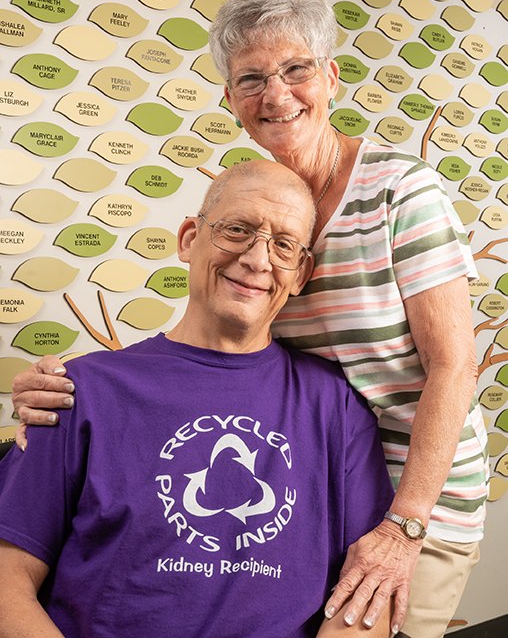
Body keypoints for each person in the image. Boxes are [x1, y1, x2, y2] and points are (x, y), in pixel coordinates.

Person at [11, 0, 488, 638]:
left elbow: (455, 366)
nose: (277, 94)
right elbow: (216, 335)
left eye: (295, 70)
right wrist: (91, 389)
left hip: (413, 499)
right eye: (252, 78)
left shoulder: (401, 192)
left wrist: (404, 527)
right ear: (232, 99)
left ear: (330, 76)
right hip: (319, 473)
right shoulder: (268, 210)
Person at [0, 161, 394, 638]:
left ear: (300, 273)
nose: (257, 259)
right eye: (237, 229)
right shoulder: (78, 391)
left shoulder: (337, 407)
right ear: (189, 238)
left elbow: (367, 598)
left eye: (284, 245)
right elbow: (8, 578)